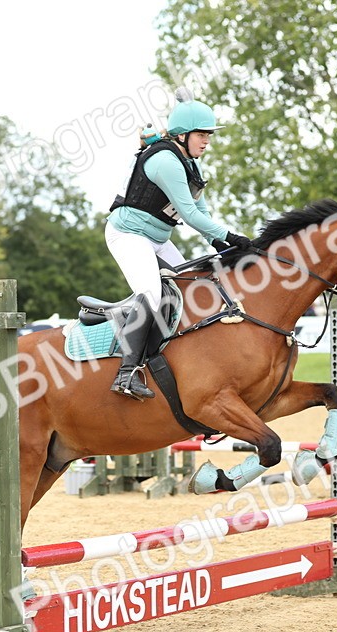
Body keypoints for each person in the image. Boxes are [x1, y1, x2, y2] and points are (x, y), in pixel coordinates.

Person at [105, 88, 251, 400]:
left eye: (209, 135)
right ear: (183, 134)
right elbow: (188, 214)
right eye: (202, 135)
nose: (207, 141)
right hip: (128, 236)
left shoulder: (191, 163)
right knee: (152, 292)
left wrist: (219, 244)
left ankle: (170, 357)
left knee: (190, 287)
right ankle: (126, 372)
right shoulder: (166, 162)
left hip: (156, 239)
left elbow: (202, 211)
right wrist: (230, 237)